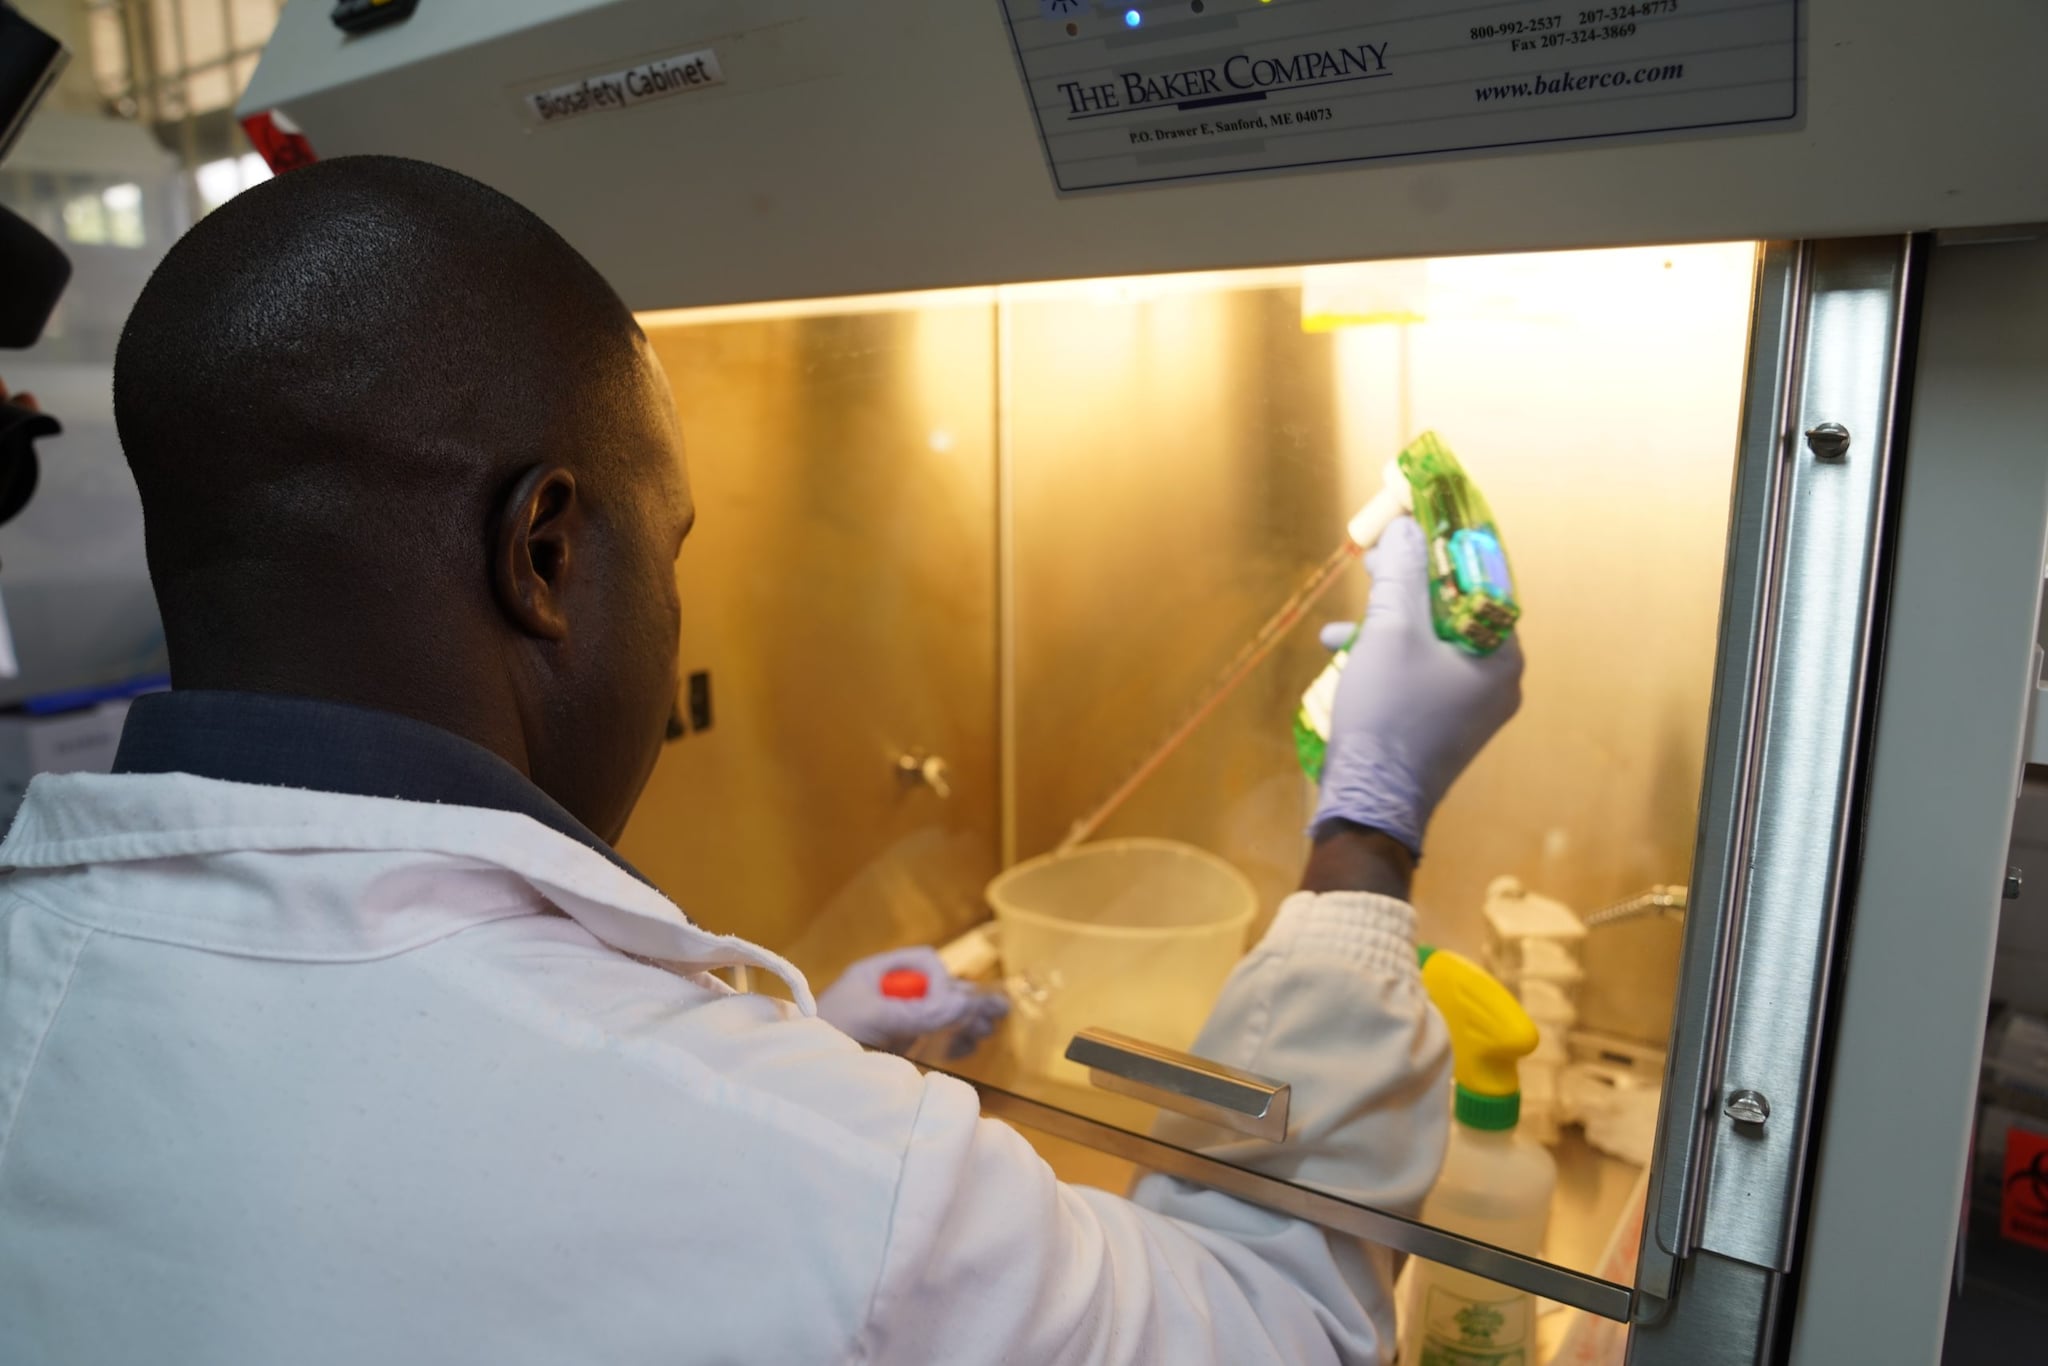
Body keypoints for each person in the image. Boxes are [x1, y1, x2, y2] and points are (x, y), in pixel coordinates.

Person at [0, 157, 1520, 1364]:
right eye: (670, 551)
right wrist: (1365, 838)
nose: (672, 612)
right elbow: (1276, 1326)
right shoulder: (821, 1190)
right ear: (543, 550)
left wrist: (800, 1066)